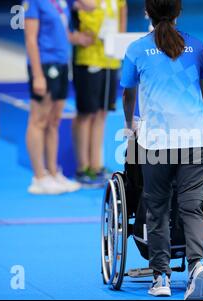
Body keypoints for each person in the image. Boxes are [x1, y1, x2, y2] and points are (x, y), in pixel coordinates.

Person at [121, 0, 203, 300]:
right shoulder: (198, 47)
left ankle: (161, 276)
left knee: (158, 208)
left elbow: (128, 94)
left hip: (156, 143)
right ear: (179, 13)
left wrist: (128, 125)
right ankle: (197, 263)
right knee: (192, 207)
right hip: (196, 140)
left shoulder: (137, 49)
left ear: (147, 13)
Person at [23, 0, 91, 195]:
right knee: (38, 120)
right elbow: (30, 38)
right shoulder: (34, 2)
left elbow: (62, 33)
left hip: (61, 64)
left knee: (54, 121)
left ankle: (53, 172)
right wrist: (37, 74)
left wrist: (77, 38)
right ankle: (39, 177)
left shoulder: (61, 2)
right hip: (44, 65)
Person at [71, 0, 127, 186]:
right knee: (86, 113)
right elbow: (70, 19)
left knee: (102, 113)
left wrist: (120, 46)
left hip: (110, 61)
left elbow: (122, 14)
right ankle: (82, 167)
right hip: (88, 59)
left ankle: (96, 165)